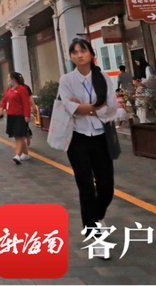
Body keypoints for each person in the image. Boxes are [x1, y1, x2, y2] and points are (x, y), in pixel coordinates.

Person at [58, 38, 117, 238]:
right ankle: (92, 232)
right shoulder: (67, 80)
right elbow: (69, 107)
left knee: (106, 186)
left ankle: (97, 214)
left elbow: (110, 108)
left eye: (83, 51)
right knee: (85, 186)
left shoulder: (103, 78)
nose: (79, 55)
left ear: (91, 54)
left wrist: (83, 109)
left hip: (101, 137)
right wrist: (93, 108)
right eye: (74, 52)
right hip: (77, 138)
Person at [0, 72, 31, 164]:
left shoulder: (22, 89)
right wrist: (2, 109)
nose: (7, 80)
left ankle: (17, 155)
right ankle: (25, 153)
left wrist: (27, 115)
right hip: (11, 115)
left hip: (19, 115)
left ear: (13, 79)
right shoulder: (9, 89)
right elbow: (5, 100)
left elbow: (26, 103)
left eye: (9, 78)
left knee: (19, 135)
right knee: (17, 135)